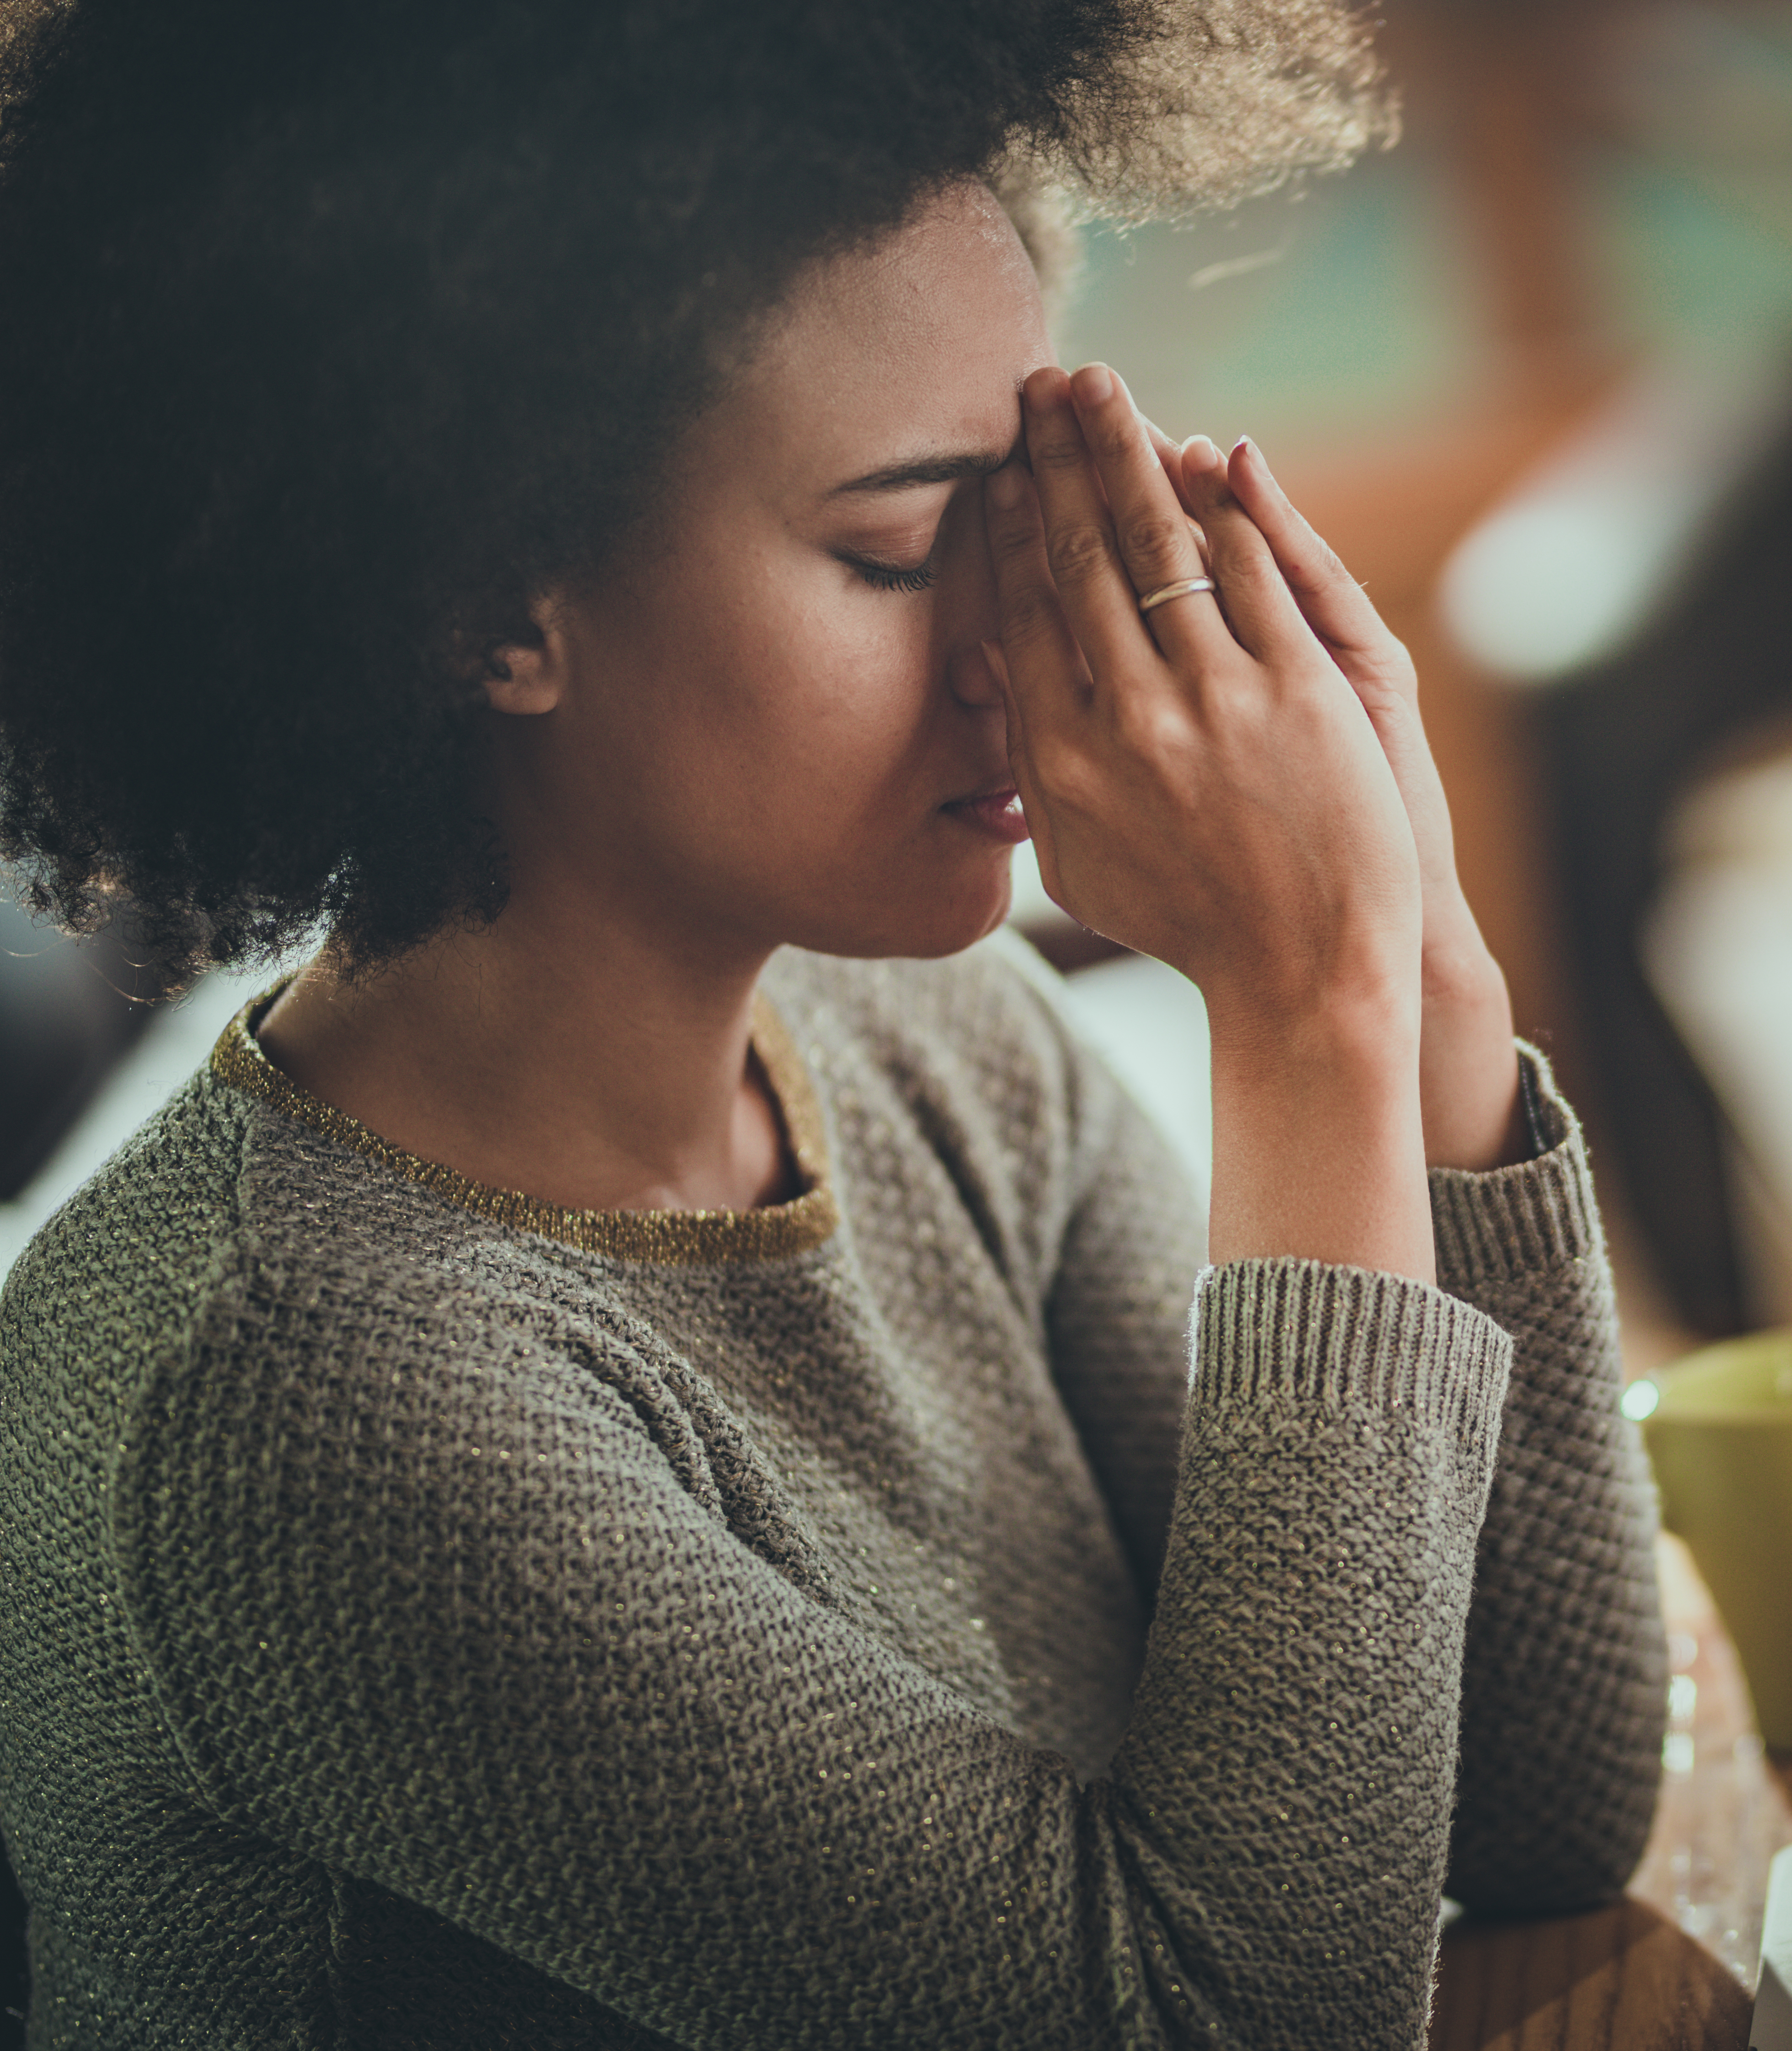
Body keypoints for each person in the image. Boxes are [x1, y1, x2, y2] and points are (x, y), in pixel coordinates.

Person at [0, 1, 1667, 2044]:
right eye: (893, 552)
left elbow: (1533, 1802)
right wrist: (1300, 1014)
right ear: (475, 602)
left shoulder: (927, 1046)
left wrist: (1417, 981)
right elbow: (1237, 2016)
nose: (1023, 648)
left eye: (1030, 515)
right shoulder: (288, 1413)